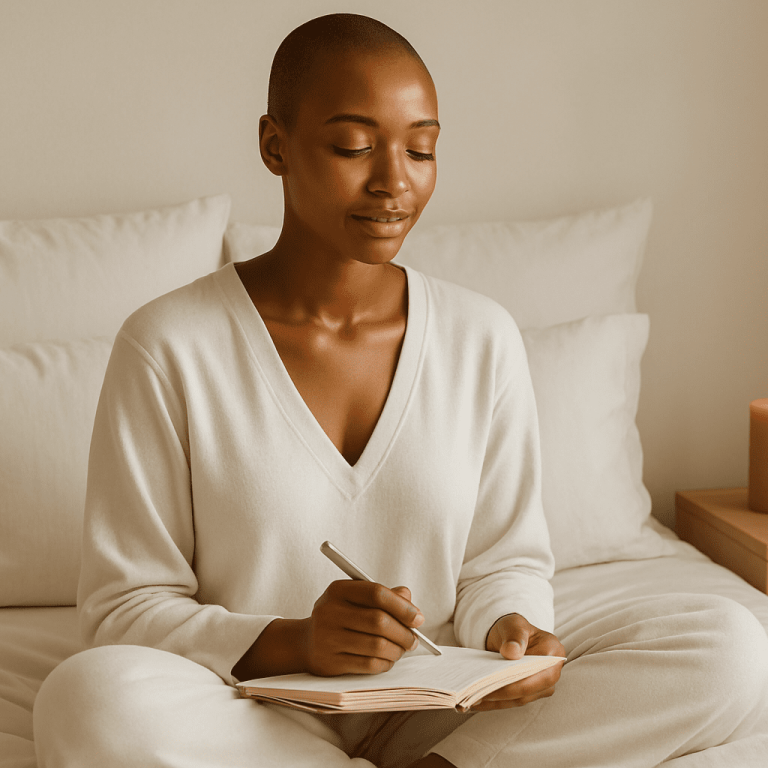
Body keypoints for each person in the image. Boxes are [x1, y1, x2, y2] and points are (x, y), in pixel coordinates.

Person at [33, 13, 768, 768]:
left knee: (733, 645)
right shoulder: (168, 346)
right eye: (354, 146)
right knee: (85, 701)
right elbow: (125, 608)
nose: (395, 181)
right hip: (246, 710)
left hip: (445, 712)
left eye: (421, 148)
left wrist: (510, 629)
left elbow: (501, 562)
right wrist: (297, 640)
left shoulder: (482, 338)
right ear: (274, 145)